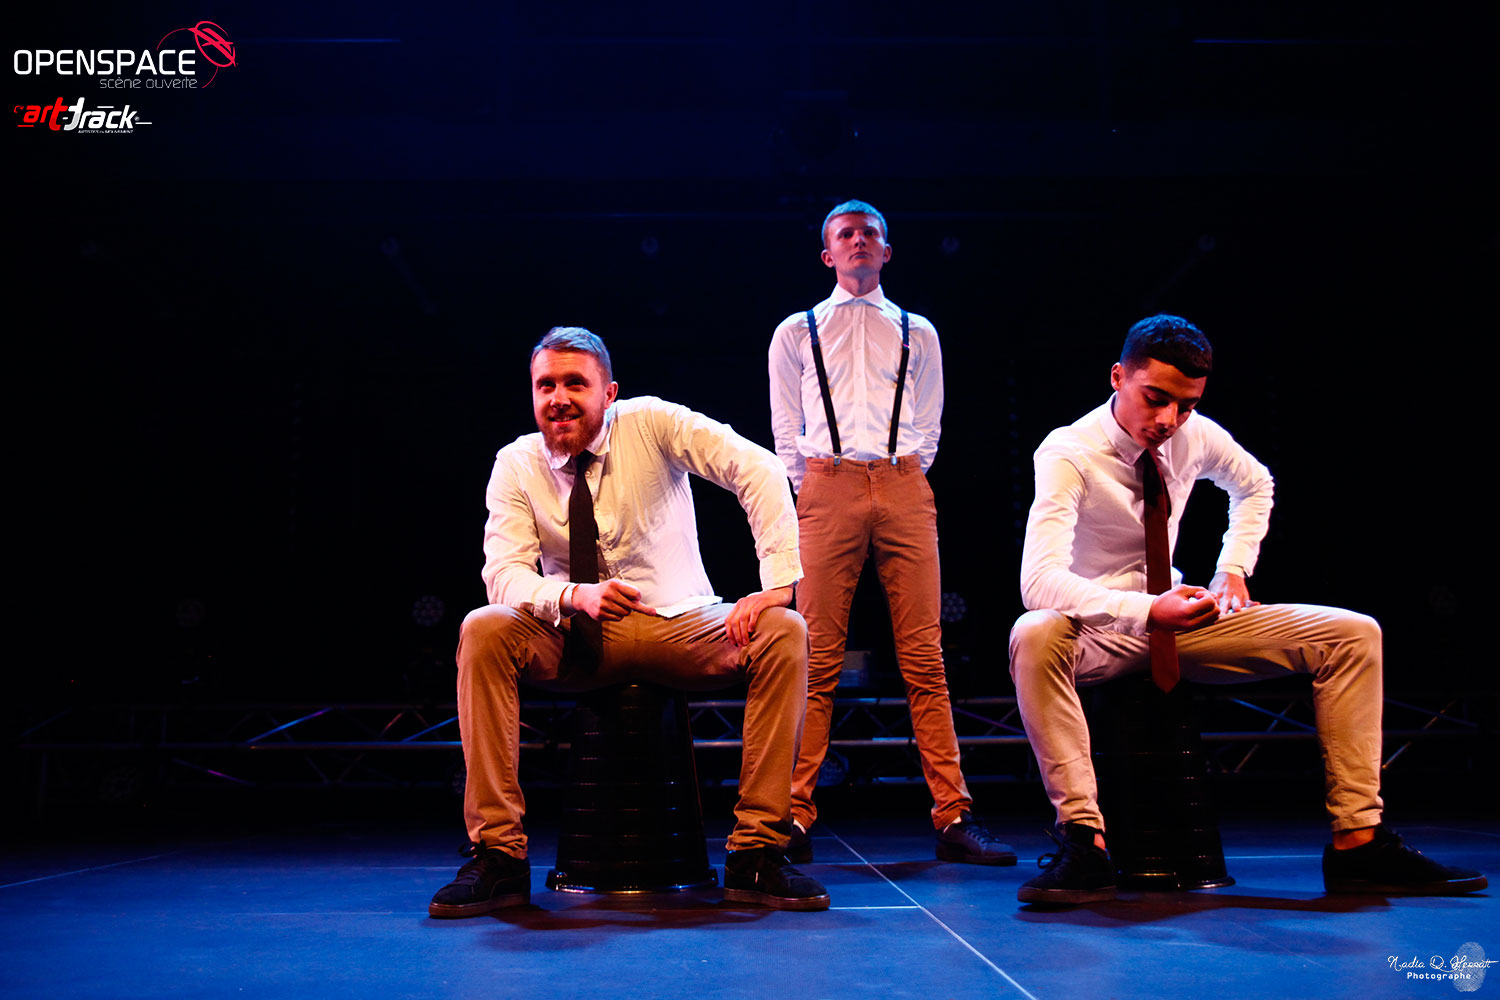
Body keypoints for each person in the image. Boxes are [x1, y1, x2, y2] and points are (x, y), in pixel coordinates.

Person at [1009, 313, 1487, 904]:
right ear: (1118, 377)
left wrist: (1232, 569)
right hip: (1097, 630)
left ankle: (1358, 842)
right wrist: (1146, 610)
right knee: (1033, 630)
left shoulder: (1194, 435)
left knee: (1354, 633)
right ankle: (1084, 841)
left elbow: (1255, 484)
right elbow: (1040, 581)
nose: (1169, 420)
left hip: (1181, 619)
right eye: (1156, 399)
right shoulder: (1069, 451)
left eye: (1186, 405)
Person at [430, 326, 830, 916]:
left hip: (677, 623)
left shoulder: (653, 422)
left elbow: (759, 469)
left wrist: (776, 586)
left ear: (609, 392)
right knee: (483, 627)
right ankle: (499, 855)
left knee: (784, 633)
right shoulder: (516, 463)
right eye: (546, 385)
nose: (559, 398)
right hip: (573, 633)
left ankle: (757, 850)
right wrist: (574, 596)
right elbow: (504, 574)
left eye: (575, 384)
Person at [768, 200, 1014, 865]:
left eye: (869, 233)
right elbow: (785, 425)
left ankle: (953, 814)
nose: (858, 241)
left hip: (903, 482)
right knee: (816, 655)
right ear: (828, 254)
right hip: (827, 482)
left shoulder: (917, 331)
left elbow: (929, 424)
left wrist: (899, 475)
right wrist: (818, 484)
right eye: (846, 235)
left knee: (925, 656)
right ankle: (793, 815)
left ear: (886, 250)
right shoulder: (797, 330)